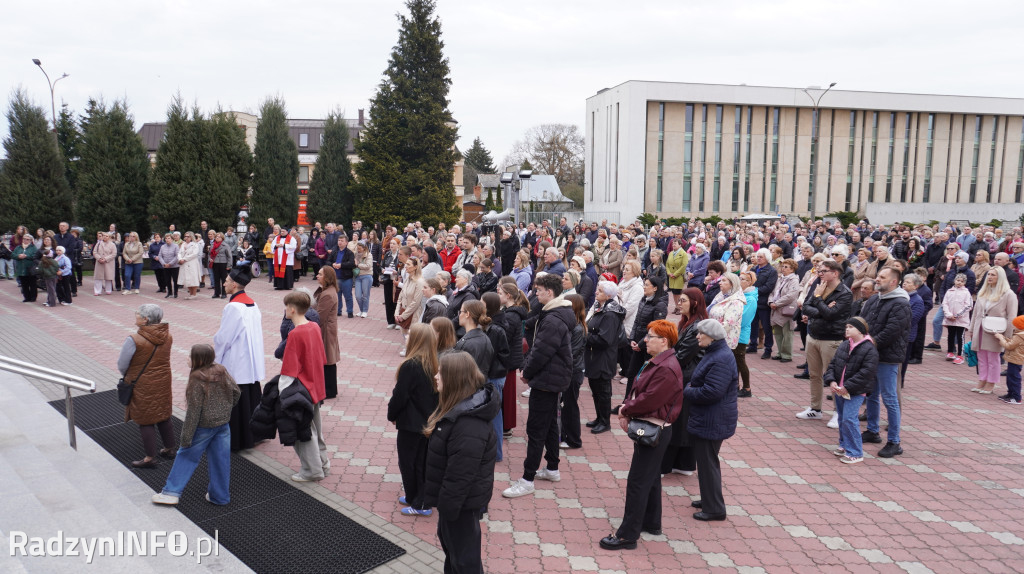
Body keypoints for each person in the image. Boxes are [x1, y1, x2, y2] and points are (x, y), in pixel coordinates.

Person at [599, 319, 683, 550]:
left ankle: (627, 535)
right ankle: (651, 522)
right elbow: (638, 390)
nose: (645, 340)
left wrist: (626, 409)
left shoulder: (666, 367)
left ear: (664, 341)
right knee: (651, 476)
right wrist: (627, 406)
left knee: (638, 481)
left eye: (650, 336)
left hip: (655, 427)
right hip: (653, 425)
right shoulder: (659, 361)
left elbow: (649, 399)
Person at [422, 351, 499, 574]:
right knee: (456, 556)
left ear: (454, 379)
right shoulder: (459, 410)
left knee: (465, 562)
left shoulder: (467, 425)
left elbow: (460, 477)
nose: (435, 376)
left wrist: (447, 509)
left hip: (460, 507)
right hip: (456, 505)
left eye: (440, 373)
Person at [503, 273, 575, 499]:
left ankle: (527, 480)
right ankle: (552, 467)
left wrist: (527, 372)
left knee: (535, 430)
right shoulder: (555, 313)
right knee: (550, 424)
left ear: (549, 292)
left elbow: (542, 350)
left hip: (547, 380)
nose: (535, 293)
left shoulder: (553, 319)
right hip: (551, 377)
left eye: (539, 290)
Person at [152, 344, 240, 506]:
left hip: (203, 426)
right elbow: (236, 392)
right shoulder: (221, 370)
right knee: (221, 460)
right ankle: (220, 496)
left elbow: (193, 412)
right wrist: (226, 409)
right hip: (222, 424)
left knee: (186, 455)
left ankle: (171, 492)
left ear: (198, 359)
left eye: (189, 355)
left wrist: (186, 437)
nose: (187, 358)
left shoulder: (196, 378)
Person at [685, 319, 739, 521]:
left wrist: (688, 390)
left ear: (712, 337)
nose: (697, 336)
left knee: (708, 464)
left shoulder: (720, 358)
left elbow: (712, 392)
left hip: (712, 419)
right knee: (707, 462)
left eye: (701, 334)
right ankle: (709, 499)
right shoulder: (715, 352)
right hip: (711, 418)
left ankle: (715, 509)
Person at [387, 324, 440, 516]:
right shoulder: (432, 363)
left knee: (410, 462)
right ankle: (414, 496)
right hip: (427, 421)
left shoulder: (411, 365)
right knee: (420, 461)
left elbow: (400, 395)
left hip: (412, 423)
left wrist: (392, 415)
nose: (406, 337)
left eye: (410, 335)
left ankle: (421, 503)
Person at [278, 291, 330, 481]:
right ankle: (323, 464)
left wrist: (282, 392)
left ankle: (312, 470)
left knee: (304, 430)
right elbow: (322, 357)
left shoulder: (294, 333)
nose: (285, 310)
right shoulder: (314, 326)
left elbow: (289, 369)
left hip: (301, 389)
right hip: (316, 384)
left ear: (292, 309)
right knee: (317, 428)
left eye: (286, 307)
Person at [861, 267, 912, 458]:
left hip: (888, 357)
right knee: (871, 394)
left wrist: (869, 343)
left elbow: (892, 330)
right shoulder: (874, 299)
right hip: (871, 354)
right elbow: (864, 322)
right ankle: (872, 431)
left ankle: (894, 441)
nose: (877, 279)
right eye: (878, 276)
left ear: (893, 282)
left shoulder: (901, 303)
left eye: (882, 277)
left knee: (890, 398)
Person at [214, 266, 266, 451]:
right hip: (251, 360)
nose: (224, 283)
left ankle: (239, 440)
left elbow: (225, 338)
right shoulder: (253, 304)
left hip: (237, 359)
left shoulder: (233, 307)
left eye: (227, 281)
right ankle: (256, 434)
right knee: (251, 396)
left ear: (235, 285)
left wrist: (216, 357)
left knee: (238, 400)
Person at [118, 304, 175, 468]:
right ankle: (170, 449)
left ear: (145, 319)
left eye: (138, 314)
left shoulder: (134, 339)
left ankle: (150, 458)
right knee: (163, 414)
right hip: (163, 380)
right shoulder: (168, 336)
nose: (135, 316)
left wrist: (128, 376)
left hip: (141, 383)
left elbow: (122, 365)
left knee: (145, 419)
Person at [797, 260, 852, 423]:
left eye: (823, 271)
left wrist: (819, 299)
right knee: (814, 375)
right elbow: (806, 307)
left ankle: (837, 412)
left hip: (831, 339)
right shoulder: (819, 286)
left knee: (834, 376)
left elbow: (831, 314)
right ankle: (815, 408)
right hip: (813, 335)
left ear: (835, 273)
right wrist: (823, 306)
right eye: (819, 271)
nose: (820, 274)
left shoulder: (844, 292)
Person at [663, 288, 707, 475]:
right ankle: (682, 464)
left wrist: (662, 362)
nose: (679, 304)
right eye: (679, 300)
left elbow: (682, 356)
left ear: (695, 303)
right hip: (683, 375)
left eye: (683, 301)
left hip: (688, 377)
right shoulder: (686, 323)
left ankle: (679, 463)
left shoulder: (697, 326)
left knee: (680, 419)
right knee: (680, 419)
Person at [825, 317, 879, 465]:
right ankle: (844, 444)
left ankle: (855, 452)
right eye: (846, 327)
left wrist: (847, 386)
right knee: (842, 418)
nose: (847, 329)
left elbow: (866, 373)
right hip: (840, 389)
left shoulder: (869, 349)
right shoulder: (844, 345)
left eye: (851, 327)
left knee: (849, 419)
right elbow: (833, 364)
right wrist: (832, 380)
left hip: (855, 391)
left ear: (860, 330)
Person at [967, 267, 1019, 394]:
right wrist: (972, 328)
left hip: (996, 331)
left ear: (1000, 277)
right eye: (989, 274)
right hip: (980, 328)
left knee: (993, 358)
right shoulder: (983, 292)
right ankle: (982, 380)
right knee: (981, 356)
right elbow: (976, 312)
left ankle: (991, 382)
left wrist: (1007, 335)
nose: (989, 277)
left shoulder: (1008, 294)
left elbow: (1012, 316)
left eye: (993, 275)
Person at [584, 281, 625, 433]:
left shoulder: (610, 314)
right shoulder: (600, 308)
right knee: (595, 389)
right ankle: (599, 417)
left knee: (603, 391)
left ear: (608, 296)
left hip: (604, 359)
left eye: (600, 291)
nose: (596, 292)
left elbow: (604, 339)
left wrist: (585, 336)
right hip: (595, 356)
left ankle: (605, 421)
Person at [560, 294, 588, 450]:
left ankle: (574, 440)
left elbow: (572, 353)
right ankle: (565, 435)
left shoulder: (578, 329)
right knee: (566, 405)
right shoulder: (573, 326)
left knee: (570, 406)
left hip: (573, 372)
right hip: (570, 370)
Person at [314, 266, 341, 399]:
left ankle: (329, 390)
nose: (317, 276)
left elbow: (320, 316)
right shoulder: (327, 291)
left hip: (326, 330)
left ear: (327, 278)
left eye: (320, 274)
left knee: (328, 359)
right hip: (327, 329)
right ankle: (328, 389)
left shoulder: (327, 294)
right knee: (328, 358)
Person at [768, 259, 801, 362]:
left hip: (786, 310)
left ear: (792, 269)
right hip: (776, 309)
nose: (783, 268)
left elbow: (791, 295)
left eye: (786, 267)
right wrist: (770, 302)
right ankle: (780, 352)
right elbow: (773, 292)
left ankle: (786, 355)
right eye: (782, 266)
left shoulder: (794, 280)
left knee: (787, 333)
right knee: (778, 332)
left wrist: (776, 303)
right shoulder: (780, 279)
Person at [747, 249, 778, 359]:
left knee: (766, 326)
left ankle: (768, 349)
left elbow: (769, 287)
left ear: (767, 258)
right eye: (758, 256)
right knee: (753, 324)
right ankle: (753, 345)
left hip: (764, 302)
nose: (758, 258)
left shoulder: (772, 271)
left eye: (761, 257)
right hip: (753, 301)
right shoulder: (753, 269)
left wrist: (753, 290)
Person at [941, 273, 973, 364]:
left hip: (961, 320)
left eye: (962, 281)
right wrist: (948, 314)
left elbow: (968, 306)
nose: (959, 282)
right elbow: (945, 303)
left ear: (964, 283)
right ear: (954, 281)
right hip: (950, 318)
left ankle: (960, 355)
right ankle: (950, 352)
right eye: (958, 280)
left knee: (960, 337)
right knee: (950, 335)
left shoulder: (966, 292)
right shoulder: (949, 291)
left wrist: (958, 315)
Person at [994, 316, 1024, 405]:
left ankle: (1016, 397)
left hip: (1015, 359)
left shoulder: (1019, 336)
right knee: (1010, 377)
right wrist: (1004, 338)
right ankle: (1010, 394)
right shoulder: (1019, 335)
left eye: (1015, 325)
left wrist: (1001, 338)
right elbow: (1013, 343)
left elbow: (1009, 346)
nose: (1014, 326)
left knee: (1014, 378)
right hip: (1015, 358)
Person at [330, 234, 356, 317]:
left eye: (342, 241)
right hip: (336, 278)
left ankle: (350, 312)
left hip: (346, 278)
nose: (340, 242)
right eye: (339, 240)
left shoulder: (350, 253)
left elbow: (352, 264)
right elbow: (328, 261)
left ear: (346, 243)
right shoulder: (334, 251)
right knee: (337, 296)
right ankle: (338, 311)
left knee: (348, 296)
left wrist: (341, 265)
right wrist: (332, 264)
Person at [178, 232, 202, 299]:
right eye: (185, 236)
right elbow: (179, 253)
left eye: (188, 236)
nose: (186, 238)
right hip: (184, 263)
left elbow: (194, 254)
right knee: (187, 278)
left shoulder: (195, 244)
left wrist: (185, 259)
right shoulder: (183, 244)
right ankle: (190, 293)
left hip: (192, 263)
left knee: (193, 278)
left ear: (191, 237)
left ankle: (194, 294)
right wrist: (180, 259)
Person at [354, 241, 374, 317]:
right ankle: (361, 310)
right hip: (358, 276)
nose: (358, 250)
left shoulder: (369, 255)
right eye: (357, 248)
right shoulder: (356, 254)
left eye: (359, 248)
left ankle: (365, 311)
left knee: (365, 295)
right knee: (358, 296)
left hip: (367, 276)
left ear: (364, 248)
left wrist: (358, 265)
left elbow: (368, 266)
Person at [210, 232, 230, 298]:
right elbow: (209, 254)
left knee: (224, 279)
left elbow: (229, 256)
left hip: (223, 263)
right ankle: (217, 293)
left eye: (219, 237)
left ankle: (224, 293)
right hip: (215, 263)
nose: (217, 238)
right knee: (216, 279)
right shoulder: (212, 245)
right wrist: (210, 259)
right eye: (216, 237)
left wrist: (229, 265)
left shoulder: (225, 245)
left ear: (222, 238)